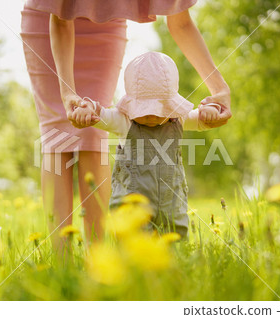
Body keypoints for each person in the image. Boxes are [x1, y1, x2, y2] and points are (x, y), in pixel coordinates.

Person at [20, 0, 231, 250]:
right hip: (50, 20)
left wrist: (218, 91)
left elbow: (181, 20)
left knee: (92, 137)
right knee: (57, 132)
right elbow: (61, 17)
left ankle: (99, 255)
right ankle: (60, 260)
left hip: (106, 25)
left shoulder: (173, 118)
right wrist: (68, 93)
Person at [76, 51, 221, 237]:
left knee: (175, 245)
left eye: (160, 108)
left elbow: (201, 119)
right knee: (134, 252)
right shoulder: (124, 122)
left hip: (172, 205)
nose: (152, 115)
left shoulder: (179, 119)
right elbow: (101, 115)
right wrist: (86, 110)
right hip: (133, 209)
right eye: (144, 110)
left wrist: (211, 111)